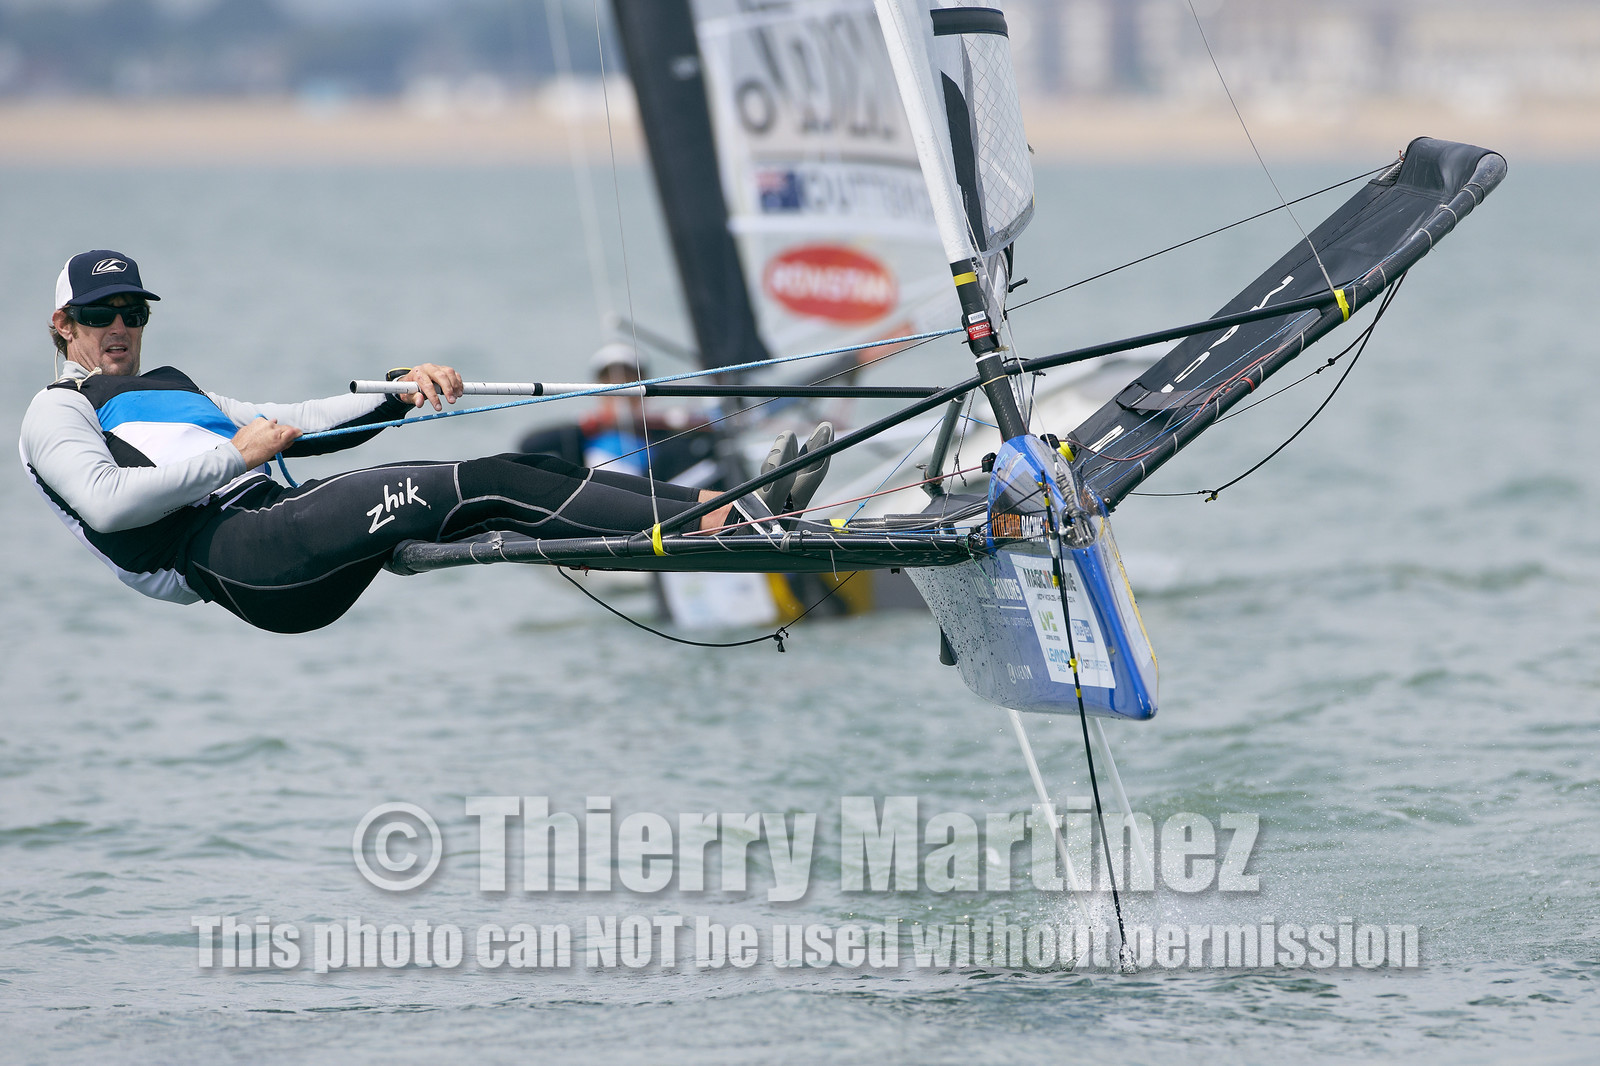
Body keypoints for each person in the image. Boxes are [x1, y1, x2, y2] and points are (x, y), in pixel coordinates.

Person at [20, 250, 830, 634]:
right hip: (236, 559)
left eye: (133, 310)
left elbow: (295, 420)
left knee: (511, 472)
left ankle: (725, 511)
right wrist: (238, 455)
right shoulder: (53, 414)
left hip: (276, 526)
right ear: (65, 326)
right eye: (100, 314)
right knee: (470, 483)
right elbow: (109, 505)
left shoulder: (165, 385)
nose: (119, 327)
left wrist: (397, 393)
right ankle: (734, 525)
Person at [516, 342, 722, 485]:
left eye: (628, 383)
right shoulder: (582, 432)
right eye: (611, 383)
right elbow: (529, 444)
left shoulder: (662, 431)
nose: (620, 391)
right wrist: (595, 425)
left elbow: (715, 436)